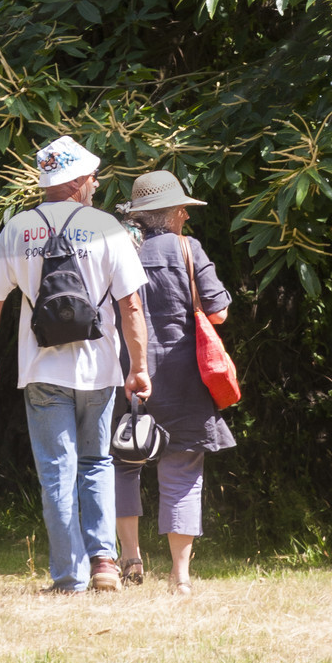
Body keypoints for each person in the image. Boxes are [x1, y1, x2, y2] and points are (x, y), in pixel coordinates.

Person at [0, 135, 151, 594]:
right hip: (100, 370)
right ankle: (105, 564)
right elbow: (131, 307)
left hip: (43, 370)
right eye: (91, 176)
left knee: (58, 468)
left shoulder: (17, 228)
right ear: (76, 181)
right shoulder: (107, 226)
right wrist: (139, 367)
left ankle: (69, 577)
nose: (94, 182)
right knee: (96, 463)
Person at [112, 170, 234, 596]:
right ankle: (180, 578)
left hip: (127, 373)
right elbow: (218, 312)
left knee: (124, 465)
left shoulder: (118, 248)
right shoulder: (188, 248)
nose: (186, 214)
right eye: (183, 208)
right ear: (174, 214)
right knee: (182, 470)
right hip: (184, 379)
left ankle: (130, 561)